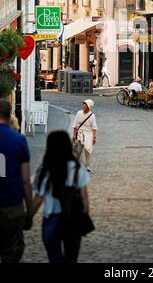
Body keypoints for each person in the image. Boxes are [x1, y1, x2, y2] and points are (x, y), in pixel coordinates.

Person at [31, 131, 90, 264]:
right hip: (72, 218)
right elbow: (84, 198)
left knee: (55, 259)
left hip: (51, 218)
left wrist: (28, 217)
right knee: (71, 259)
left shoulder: (45, 169)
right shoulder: (77, 168)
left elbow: (38, 199)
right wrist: (84, 215)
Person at [0, 100, 32, 263]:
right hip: (12, 206)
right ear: (9, 115)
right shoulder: (18, 139)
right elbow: (26, 181)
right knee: (11, 251)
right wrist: (30, 210)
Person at [72, 100, 97, 172]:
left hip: (89, 134)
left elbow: (94, 127)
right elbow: (75, 124)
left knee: (87, 150)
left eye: (85, 105)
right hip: (80, 133)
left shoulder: (92, 115)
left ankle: (88, 165)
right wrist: (74, 134)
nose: (83, 106)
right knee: (78, 150)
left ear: (88, 107)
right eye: (83, 104)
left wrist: (94, 137)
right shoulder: (79, 113)